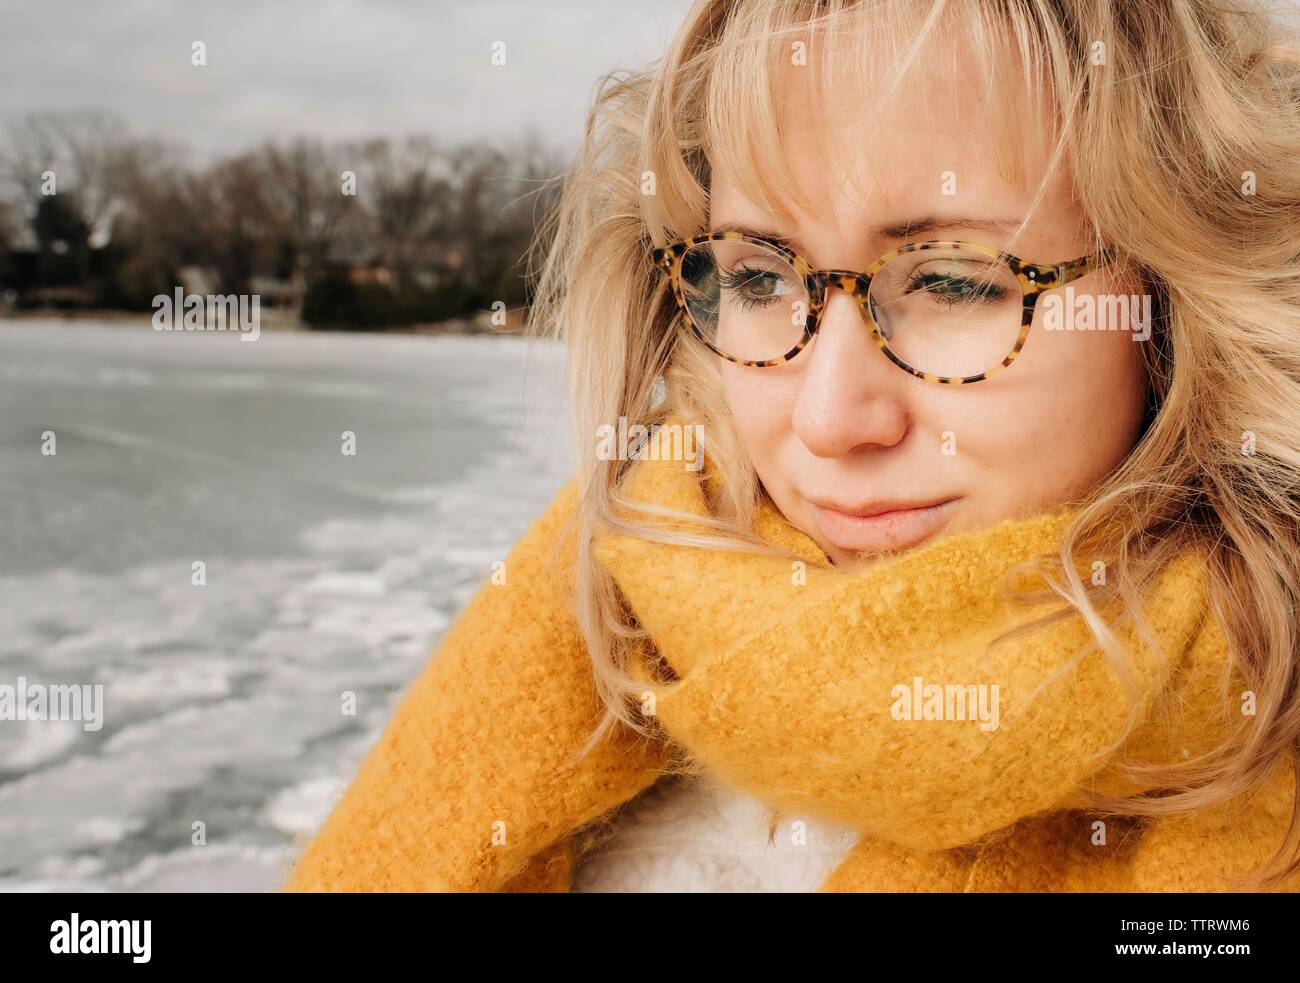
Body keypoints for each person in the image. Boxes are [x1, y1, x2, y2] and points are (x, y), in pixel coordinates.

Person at [283, 0, 1300, 892]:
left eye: (952, 280)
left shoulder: (1262, 714)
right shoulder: (611, 584)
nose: (826, 418)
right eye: (762, 277)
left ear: (1173, 299)